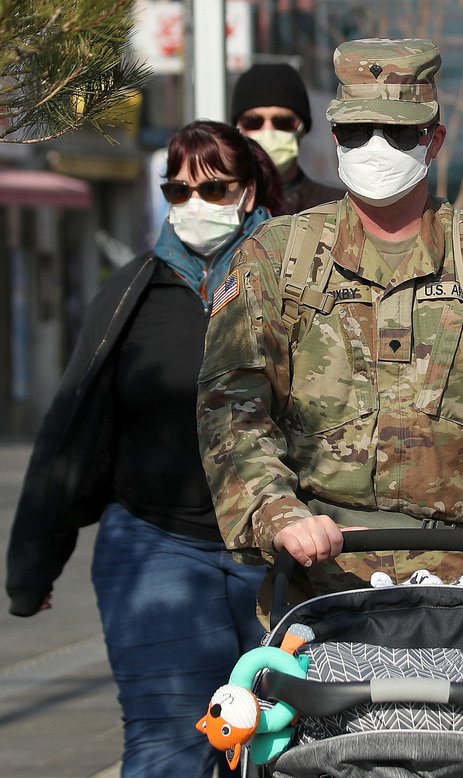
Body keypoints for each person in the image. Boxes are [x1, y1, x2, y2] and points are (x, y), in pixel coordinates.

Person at [196, 39, 463, 655]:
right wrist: (277, 512)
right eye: (357, 132)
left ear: (434, 140)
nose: (376, 148)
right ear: (335, 138)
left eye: (398, 133)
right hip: (325, 585)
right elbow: (231, 407)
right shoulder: (277, 257)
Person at [6, 120, 283, 778]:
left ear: (248, 192)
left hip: (281, 552)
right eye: (177, 190)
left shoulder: (293, 282)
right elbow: (74, 423)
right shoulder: (133, 291)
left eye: (213, 189)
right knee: (170, 748)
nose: (193, 203)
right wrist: (33, 566)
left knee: (291, 747)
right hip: (157, 544)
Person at [230, 62, 345, 214]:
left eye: (283, 122)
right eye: (253, 122)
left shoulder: (337, 209)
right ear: (237, 129)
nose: (268, 131)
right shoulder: (218, 201)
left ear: (303, 129)